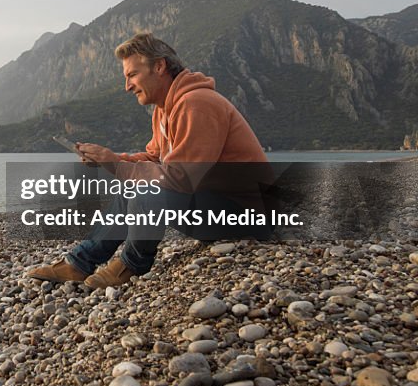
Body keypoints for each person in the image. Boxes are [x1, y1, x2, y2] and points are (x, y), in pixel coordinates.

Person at [25, 32, 271, 289]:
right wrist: (110, 159)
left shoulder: (197, 103)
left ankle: (131, 264)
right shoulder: (165, 109)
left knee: (144, 191)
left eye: (132, 75)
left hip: (247, 217)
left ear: (159, 66)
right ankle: (80, 263)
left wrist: (117, 165)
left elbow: (181, 178)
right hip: (216, 207)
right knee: (133, 187)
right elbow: (155, 157)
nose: (127, 86)